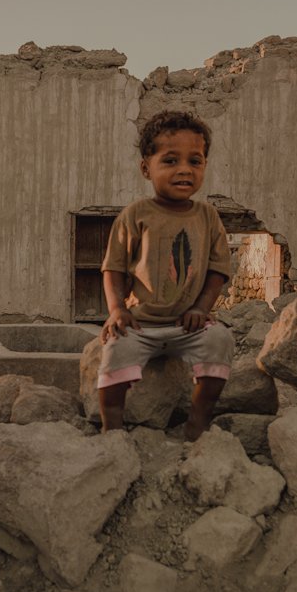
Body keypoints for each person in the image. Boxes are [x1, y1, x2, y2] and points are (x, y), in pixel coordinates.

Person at [98, 110, 235, 441]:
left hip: (187, 326)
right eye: (170, 160)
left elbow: (218, 269)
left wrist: (201, 307)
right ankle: (111, 429)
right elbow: (113, 268)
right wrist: (117, 310)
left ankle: (197, 422)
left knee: (221, 341)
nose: (184, 169)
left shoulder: (207, 216)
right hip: (140, 324)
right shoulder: (136, 215)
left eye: (195, 161)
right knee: (113, 355)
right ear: (147, 168)